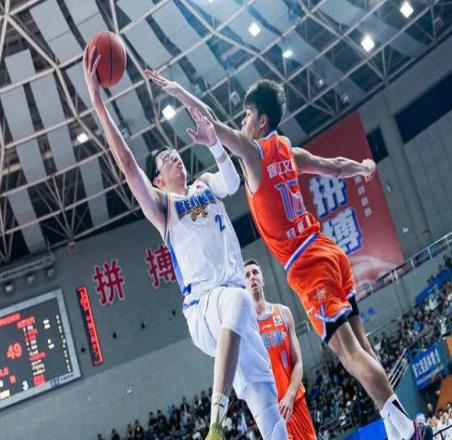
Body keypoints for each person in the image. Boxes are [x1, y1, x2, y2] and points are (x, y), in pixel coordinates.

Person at [146, 69, 433, 440]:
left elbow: (212, 122)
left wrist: (179, 91)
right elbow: (333, 166)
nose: (242, 122)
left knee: (349, 354)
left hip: (308, 264)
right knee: (363, 347)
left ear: (261, 121)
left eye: (246, 116)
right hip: (328, 249)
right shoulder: (288, 150)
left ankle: (408, 430)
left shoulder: (253, 154)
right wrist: (362, 167)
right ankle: (397, 428)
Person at [83, 48, 287, 440]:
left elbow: (232, 182)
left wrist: (215, 146)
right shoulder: (163, 207)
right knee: (238, 299)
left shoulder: (205, 184)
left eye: (177, 154)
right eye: (167, 160)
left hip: (235, 312)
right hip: (204, 308)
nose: (176, 159)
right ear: (158, 179)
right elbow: (127, 165)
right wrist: (97, 101)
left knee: (268, 407)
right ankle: (215, 424)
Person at [245, 258, 317, 439]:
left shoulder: (283, 313)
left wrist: (290, 395)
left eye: (255, 272)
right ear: (243, 286)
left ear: (262, 279)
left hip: (295, 401)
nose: (252, 277)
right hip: (272, 412)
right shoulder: (246, 326)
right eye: (247, 275)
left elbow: (298, 363)